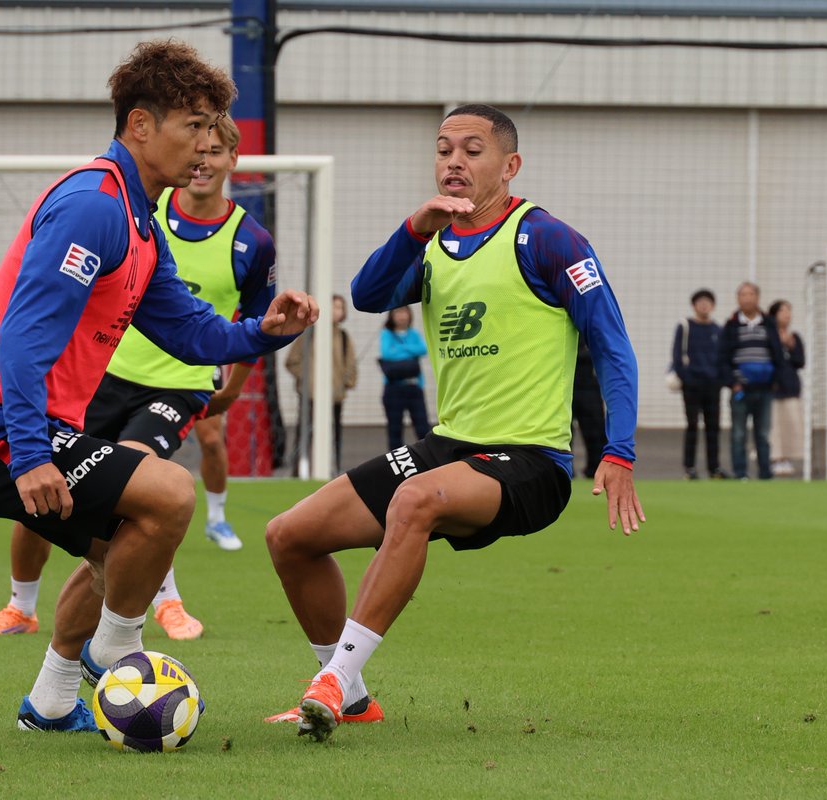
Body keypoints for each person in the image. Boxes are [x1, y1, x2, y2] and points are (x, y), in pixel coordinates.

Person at [0, 39, 317, 733]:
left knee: (121, 549)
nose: (207, 145)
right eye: (193, 125)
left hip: (36, 427)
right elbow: (22, 339)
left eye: (212, 128)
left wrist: (268, 330)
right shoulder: (93, 205)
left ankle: (50, 706)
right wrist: (30, 454)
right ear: (140, 126)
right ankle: (115, 651)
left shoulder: (140, 218)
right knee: (168, 492)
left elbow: (194, 333)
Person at [262, 104, 643, 740]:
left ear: (510, 165)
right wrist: (415, 226)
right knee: (289, 534)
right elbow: (367, 294)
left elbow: (612, 346)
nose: (454, 162)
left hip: (529, 461)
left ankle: (335, 678)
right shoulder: (434, 242)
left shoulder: (549, 240)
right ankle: (348, 696)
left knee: (415, 498)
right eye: (444, 150)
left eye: (472, 150)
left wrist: (620, 449)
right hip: (449, 447)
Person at [0, 115, 277, 641]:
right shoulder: (118, 211)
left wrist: (250, 359)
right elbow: (32, 327)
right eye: (195, 138)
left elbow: (224, 323)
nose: (202, 156)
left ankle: (158, 610)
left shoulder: (245, 239)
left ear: (233, 161)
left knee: (149, 485)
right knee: (54, 489)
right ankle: (27, 611)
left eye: (215, 146)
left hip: (178, 383)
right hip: (90, 385)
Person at [286, 294, 359, 472]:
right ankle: (298, 470)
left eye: (339, 308)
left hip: (335, 395)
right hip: (310, 395)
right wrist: (306, 379)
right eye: (333, 306)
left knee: (335, 435)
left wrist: (346, 382)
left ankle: (335, 469)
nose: (336, 311)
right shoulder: (308, 335)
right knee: (304, 434)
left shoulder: (343, 337)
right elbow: (292, 360)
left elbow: (351, 363)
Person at [719, 282, 784, 481]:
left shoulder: (769, 324)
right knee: (738, 433)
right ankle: (741, 474)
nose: (746, 298)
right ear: (738, 298)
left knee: (763, 434)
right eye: (742, 295)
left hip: (764, 389)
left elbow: (778, 354)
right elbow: (722, 358)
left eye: (750, 294)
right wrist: (733, 382)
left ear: (757, 297)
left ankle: (765, 473)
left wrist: (775, 381)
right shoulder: (731, 325)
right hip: (741, 389)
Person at [672, 289, 726, 480]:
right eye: (700, 302)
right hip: (692, 385)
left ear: (713, 306)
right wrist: (687, 378)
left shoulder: (717, 330)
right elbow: (677, 356)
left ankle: (714, 468)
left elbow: (722, 358)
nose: (704, 305)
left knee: (713, 427)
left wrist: (719, 380)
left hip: (712, 385)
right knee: (692, 425)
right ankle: (690, 467)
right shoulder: (685, 326)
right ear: (694, 305)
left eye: (707, 302)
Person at [379, 305, 432, 451]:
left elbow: (423, 349)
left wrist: (400, 349)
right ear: (391, 315)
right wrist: (410, 351)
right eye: (398, 312)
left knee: (423, 428)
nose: (402, 316)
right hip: (393, 388)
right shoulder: (386, 334)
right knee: (394, 430)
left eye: (404, 312)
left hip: (414, 387)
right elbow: (387, 354)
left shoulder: (414, 334)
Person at [767, 299, 805, 477]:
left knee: (791, 423)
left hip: (790, 386)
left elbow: (800, 362)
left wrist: (791, 346)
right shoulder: (768, 335)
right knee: (774, 424)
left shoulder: (794, 337)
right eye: (783, 311)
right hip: (773, 386)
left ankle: (788, 457)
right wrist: (778, 342)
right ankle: (775, 458)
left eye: (789, 311)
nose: (787, 315)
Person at [571, 339, 606, 478]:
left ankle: (596, 470)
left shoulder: (590, 326)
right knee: (563, 431)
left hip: (589, 386)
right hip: (565, 384)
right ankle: (564, 470)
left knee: (595, 431)